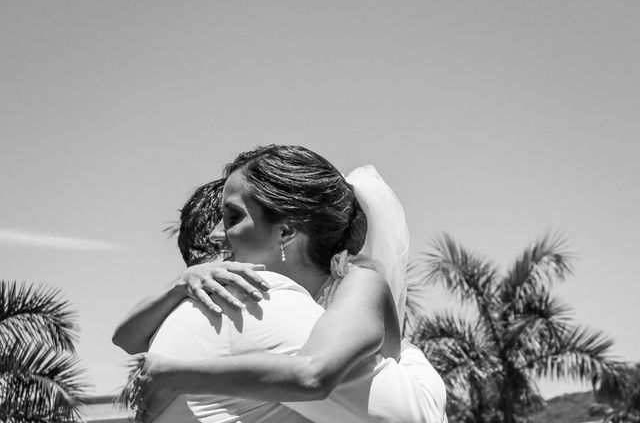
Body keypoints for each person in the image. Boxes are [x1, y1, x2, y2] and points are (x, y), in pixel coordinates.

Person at [113, 145, 447, 422]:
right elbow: (125, 337)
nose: (219, 233)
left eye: (232, 217)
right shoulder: (245, 296)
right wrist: (179, 285)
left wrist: (176, 374)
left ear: (286, 232)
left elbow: (312, 375)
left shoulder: (361, 283)